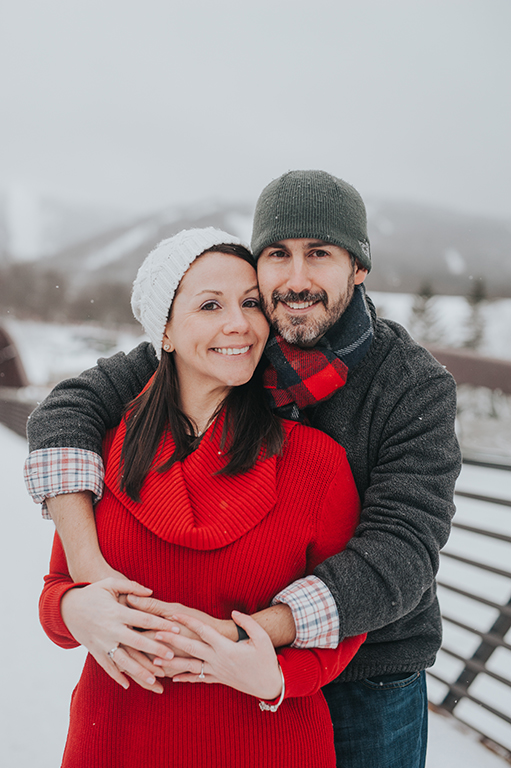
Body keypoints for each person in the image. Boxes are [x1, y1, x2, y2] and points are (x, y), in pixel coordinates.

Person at [25, 171, 462, 768]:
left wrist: (240, 639)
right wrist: (88, 577)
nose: (296, 279)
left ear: (359, 267)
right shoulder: (244, 341)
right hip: (207, 689)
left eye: (320, 255)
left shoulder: (410, 386)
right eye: (278, 255)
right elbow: (69, 409)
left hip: (368, 669)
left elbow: (401, 550)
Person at [38, 227, 365, 767]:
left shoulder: (317, 463)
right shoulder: (100, 447)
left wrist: (279, 675)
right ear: (163, 332)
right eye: (210, 305)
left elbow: (345, 617)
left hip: (263, 741)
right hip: (116, 738)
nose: (238, 323)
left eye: (251, 303)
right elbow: (58, 589)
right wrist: (74, 609)